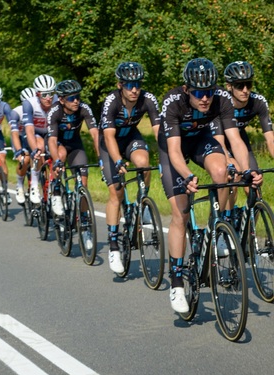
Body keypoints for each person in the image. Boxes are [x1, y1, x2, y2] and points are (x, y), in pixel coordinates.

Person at [158, 57, 262, 313]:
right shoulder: (173, 103)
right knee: (180, 214)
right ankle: (177, 282)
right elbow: (173, 152)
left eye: (208, 92)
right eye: (198, 93)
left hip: (200, 140)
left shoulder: (221, 99)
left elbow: (235, 140)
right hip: (172, 147)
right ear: (187, 90)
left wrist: (247, 170)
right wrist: (188, 175)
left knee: (222, 171)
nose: (204, 98)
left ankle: (218, 229)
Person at [99, 61, 160, 274]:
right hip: (110, 145)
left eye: (138, 84)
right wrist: (117, 161)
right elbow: (108, 136)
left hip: (131, 137)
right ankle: (114, 245)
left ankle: (142, 202)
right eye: (129, 85)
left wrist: (169, 155)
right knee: (116, 191)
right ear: (119, 85)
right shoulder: (111, 101)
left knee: (145, 164)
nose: (134, 89)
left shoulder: (148, 99)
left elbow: (159, 131)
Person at [222, 61, 274, 218]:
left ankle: (249, 232)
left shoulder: (258, 101)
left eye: (249, 84)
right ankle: (227, 219)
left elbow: (270, 139)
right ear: (229, 86)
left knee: (254, 182)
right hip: (218, 140)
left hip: (240, 141)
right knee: (235, 175)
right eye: (239, 85)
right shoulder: (221, 103)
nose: (245, 90)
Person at [46, 79, 99, 217]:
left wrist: (101, 157)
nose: (76, 101)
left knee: (83, 182)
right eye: (71, 98)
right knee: (61, 155)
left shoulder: (84, 108)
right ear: (62, 100)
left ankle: (84, 220)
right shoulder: (55, 111)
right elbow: (52, 140)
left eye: (78, 97)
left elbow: (95, 134)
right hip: (58, 143)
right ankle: (56, 191)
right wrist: (57, 160)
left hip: (75, 144)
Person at [22, 74, 57, 204]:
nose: (49, 98)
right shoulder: (29, 104)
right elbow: (29, 130)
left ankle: (54, 186)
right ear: (37, 94)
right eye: (44, 95)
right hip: (35, 133)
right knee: (40, 148)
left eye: (51, 93)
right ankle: (34, 183)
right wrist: (35, 149)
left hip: (50, 132)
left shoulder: (58, 101)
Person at [10, 87, 37, 204]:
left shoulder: (39, 109)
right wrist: (19, 150)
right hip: (19, 138)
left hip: (32, 136)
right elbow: (14, 134)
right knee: (25, 160)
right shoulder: (16, 112)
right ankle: (19, 185)